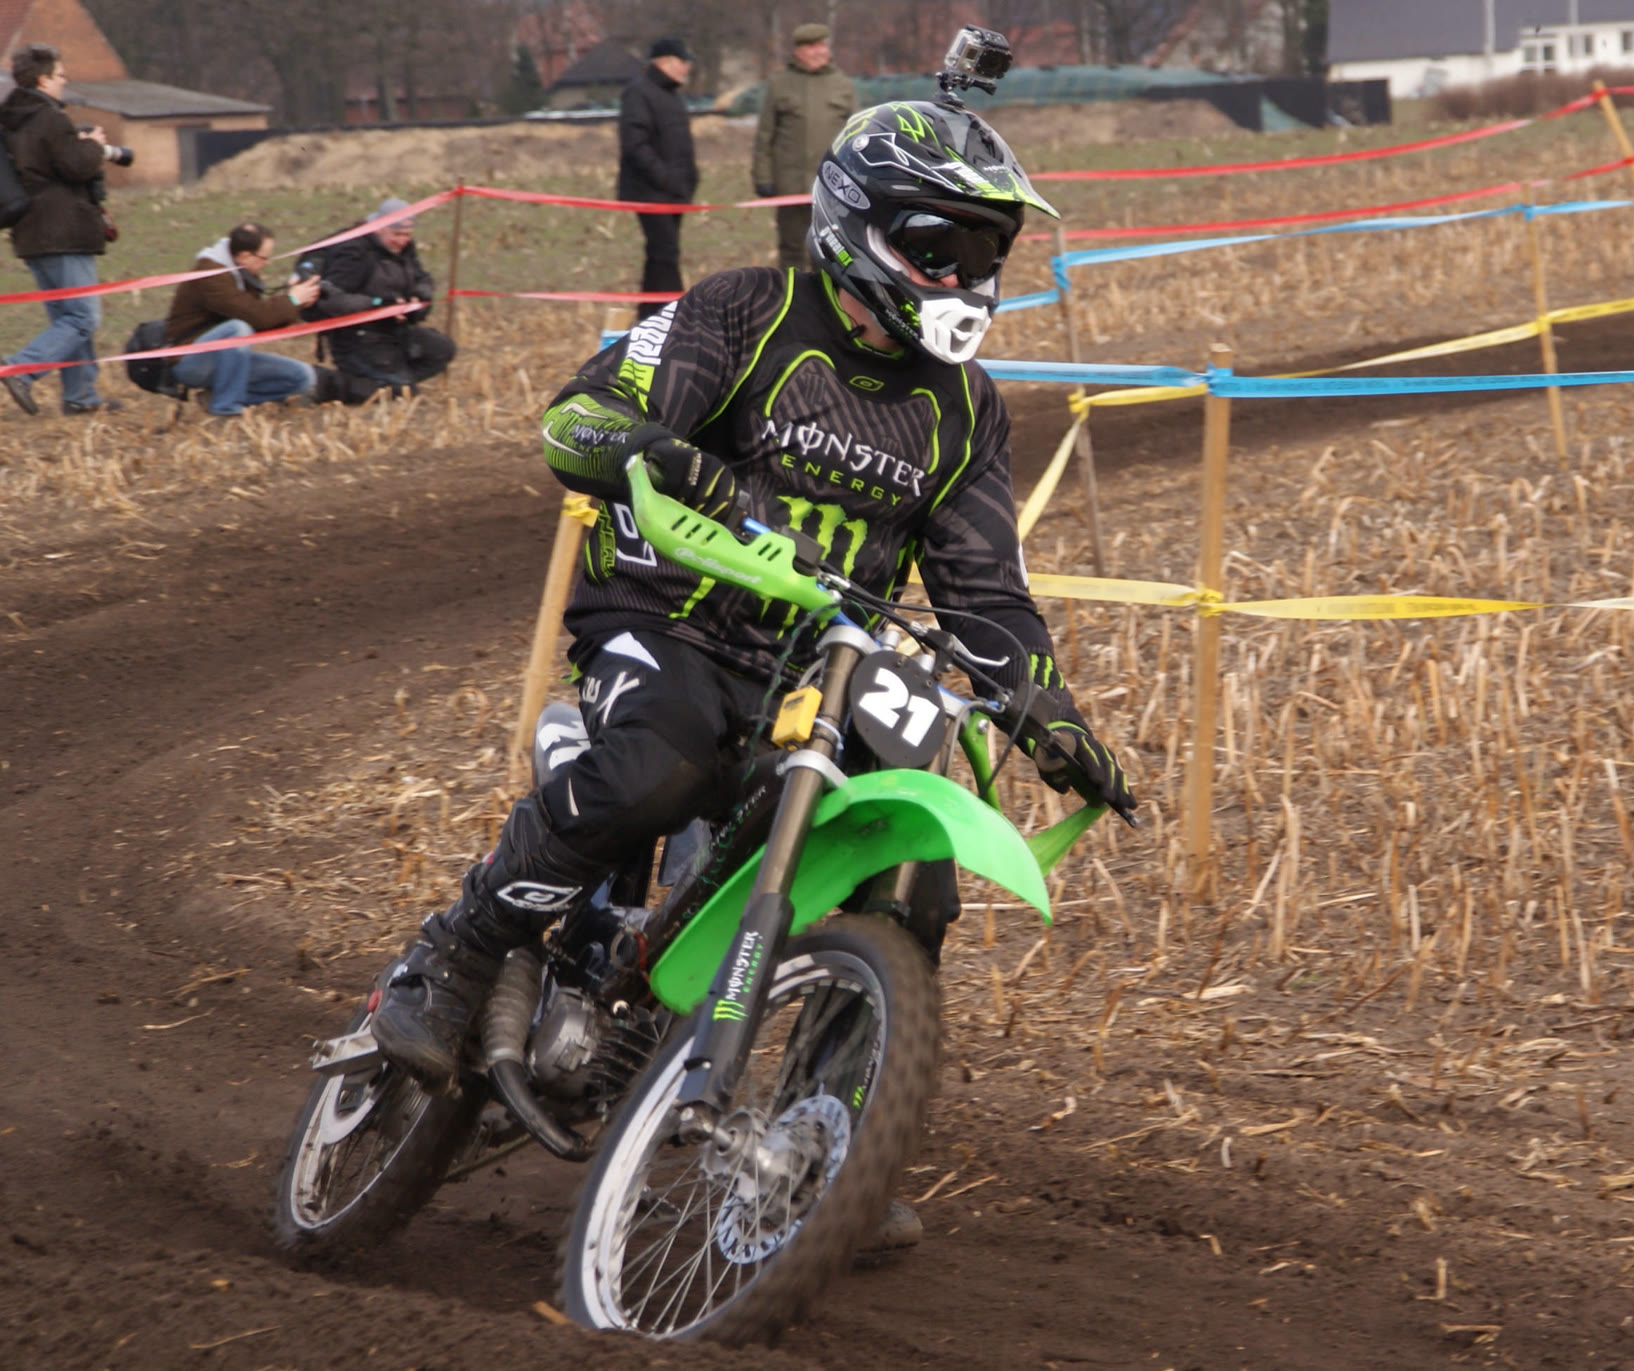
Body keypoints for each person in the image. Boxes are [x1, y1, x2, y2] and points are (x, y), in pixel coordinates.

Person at [369, 94, 1133, 1244]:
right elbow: (577, 420)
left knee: (912, 867)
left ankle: (828, 1146)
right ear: (859, 227)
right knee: (658, 768)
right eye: (941, 247)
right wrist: (654, 449)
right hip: (666, 617)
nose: (964, 279)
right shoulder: (744, 311)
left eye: (985, 254)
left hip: (818, 667)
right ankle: (455, 954)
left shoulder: (963, 408)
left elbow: (983, 589)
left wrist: (1047, 708)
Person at [0, 43, 120, 417]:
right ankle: (20, 370)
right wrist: (94, 146)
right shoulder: (49, 118)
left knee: (67, 318)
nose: (65, 81)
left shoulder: (13, 119)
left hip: (31, 232)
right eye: (61, 75)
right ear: (43, 79)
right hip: (62, 229)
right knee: (83, 318)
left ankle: (80, 396)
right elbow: (76, 166)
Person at [163, 222, 330, 417]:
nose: (268, 263)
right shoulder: (210, 274)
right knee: (238, 329)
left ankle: (215, 397)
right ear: (245, 256)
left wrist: (296, 302)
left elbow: (260, 318)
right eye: (264, 258)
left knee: (302, 377)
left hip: (227, 358)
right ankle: (226, 409)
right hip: (190, 361)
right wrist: (292, 300)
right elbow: (255, 317)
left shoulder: (240, 270)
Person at [315, 198, 455, 402]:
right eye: (396, 234)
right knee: (402, 393)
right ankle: (329, 384)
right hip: (357, 339)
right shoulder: (353, 253)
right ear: (379, 228)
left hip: (395, 332)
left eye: (407, 235)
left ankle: (390, 379)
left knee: (441, 349)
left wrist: (420, 299)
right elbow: (333, 300)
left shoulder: (404, 249)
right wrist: (379, 305)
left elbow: (422, 278)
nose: (402, 241)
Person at [752, 22, 856, 270]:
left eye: (822, 46)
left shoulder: (842, 84)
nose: (818, 52)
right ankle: (793, 293)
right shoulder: (779, 84)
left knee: (830, 249)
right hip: (790, 184)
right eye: (811, 47)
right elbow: (765, 135)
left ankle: (825, 294)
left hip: (831, 185)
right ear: (798, 51)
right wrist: (762, 177)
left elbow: (855, 136)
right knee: (792, 248)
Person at [616, 36, 698, 321]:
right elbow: (635, 144)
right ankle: (675, 317)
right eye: (682, 61)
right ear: (664, 62)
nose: (687, 68)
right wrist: (665, 178)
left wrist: (689, 180)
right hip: (649, 191)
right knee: (665, 253)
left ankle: (648, 316)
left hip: (675, 192)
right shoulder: (638, 93)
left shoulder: (672, 95)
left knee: (660, 254)